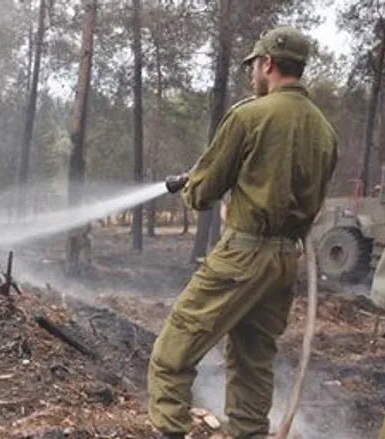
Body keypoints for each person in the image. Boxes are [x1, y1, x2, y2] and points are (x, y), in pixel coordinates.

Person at [147, 27, 338, 439]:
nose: (252, 73)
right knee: (253, 362)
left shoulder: (248, 115)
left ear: (268, 63)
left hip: (243, 255)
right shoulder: (324, 131)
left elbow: (202, 193)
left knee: (171, 354)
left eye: (254, 65)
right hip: (285, 262)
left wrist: (193, 184)